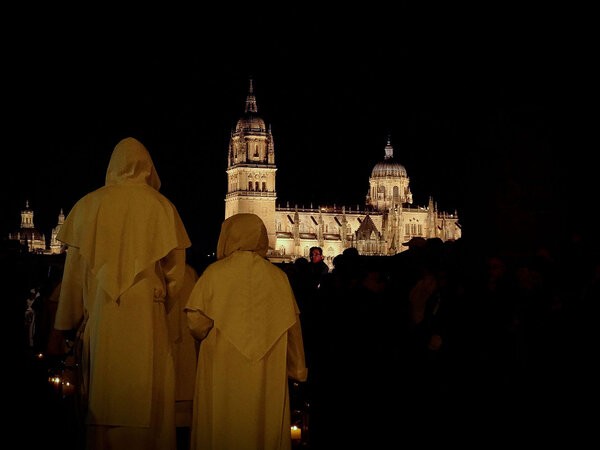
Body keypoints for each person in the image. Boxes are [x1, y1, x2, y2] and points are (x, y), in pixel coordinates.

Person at [47, 136, 191, 450]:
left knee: (104, 396)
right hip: (147, 318)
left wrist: (60, 329)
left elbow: (72, 278)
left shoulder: (88, 206)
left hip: (102, 316)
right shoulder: (162, 207)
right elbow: (175, 277)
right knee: (147, 400)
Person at [185, 213, 308, 450]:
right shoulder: (278, 278)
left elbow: (196, 325)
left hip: (222, 370)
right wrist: (298, 370)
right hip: (267, 373)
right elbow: (293, 329)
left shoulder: (214, 275)